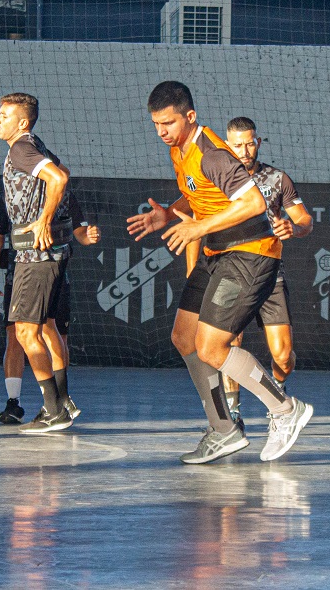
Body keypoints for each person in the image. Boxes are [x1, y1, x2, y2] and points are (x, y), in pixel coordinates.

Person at [127, 81, 313, 464]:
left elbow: (253, 202)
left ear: (190, 116)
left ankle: (285, 409)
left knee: (212, 347)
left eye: (168, 123)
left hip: (248, 254)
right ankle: (224, 429)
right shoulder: (180, 150)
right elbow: (197, 192)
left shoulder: (211, 153)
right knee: (184, 337)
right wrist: (168, 213)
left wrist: (198, 227)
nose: (161, 131)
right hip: (217, 253)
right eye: (156, 124)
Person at [219, 117, 313, 424]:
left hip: (270, 272)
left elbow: (305, 220)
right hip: (231, 272)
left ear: (258, 142)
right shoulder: (217, 178)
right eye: (237, 145)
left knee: (283, 356)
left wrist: (294, 228)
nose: (244, 151)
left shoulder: (278, 178)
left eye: (249, 144)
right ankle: (233, 413)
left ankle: (279, 394)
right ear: (227, 145)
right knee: (229, 344)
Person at [0, 91, 78, 434]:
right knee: (45, 328)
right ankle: (62, 402)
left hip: (35, 256)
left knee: (26, 332)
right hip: (46, 254)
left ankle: (54, 410)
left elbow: (59, 178)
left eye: (4, 115)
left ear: (22, 123)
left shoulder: (21, 148)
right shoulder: (35, 145)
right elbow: (64, 171)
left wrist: (44, 220)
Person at [0, 194, 100, 424]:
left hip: (53, 270)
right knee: (16, 334)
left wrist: (88, 236)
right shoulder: (11, 195)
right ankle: (14, 403)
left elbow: (80, 232)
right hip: (19, 273)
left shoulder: (62, 195)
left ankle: (60, 399)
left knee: (52, 330)